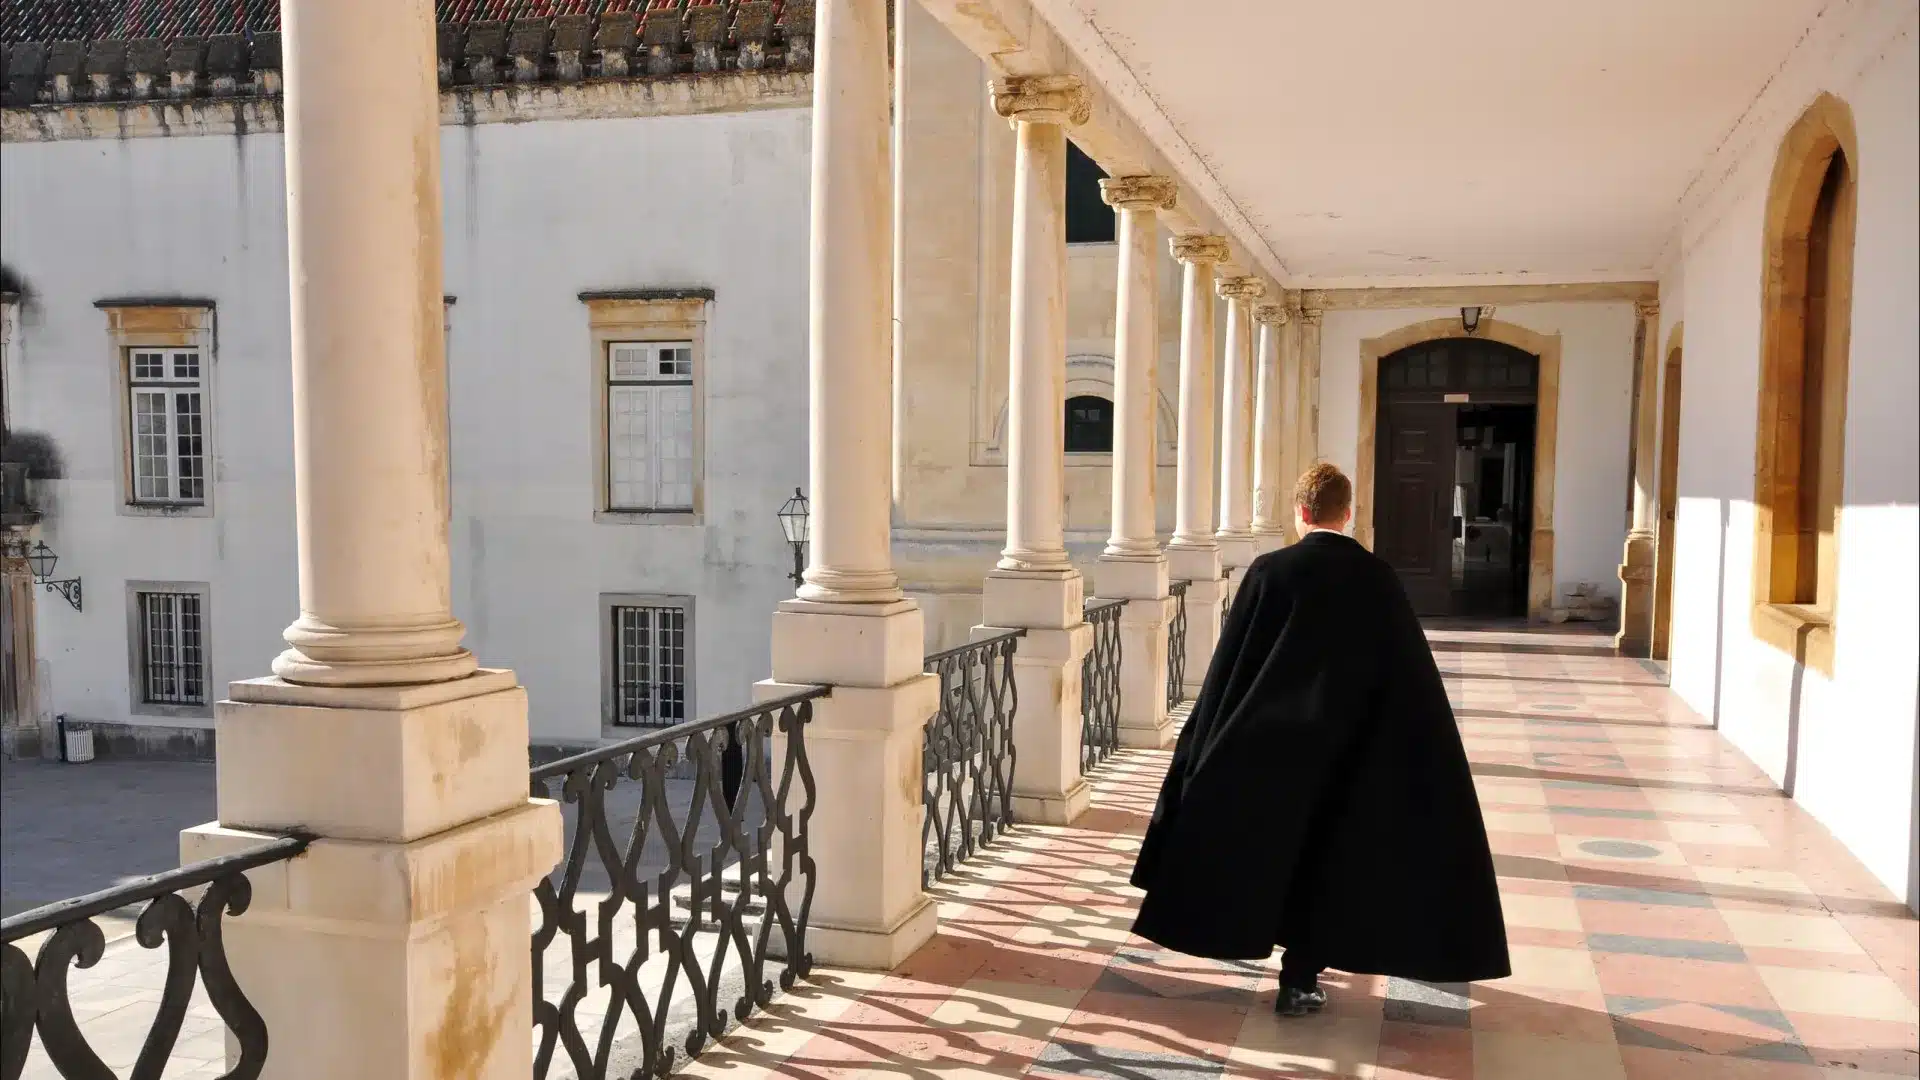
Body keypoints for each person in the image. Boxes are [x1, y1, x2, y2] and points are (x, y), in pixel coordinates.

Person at [1129, 463, 1510, 1016]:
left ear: (1300, 513)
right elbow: (1408, 676)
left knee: (1277, 850)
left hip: (1273, 746)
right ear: (1348, 513)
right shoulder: (1378, 578)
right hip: (1355, 748)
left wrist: (1204, 744)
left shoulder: (1269, 572)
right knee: (1332, 858)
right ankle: (1301, 976)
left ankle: (1274, 954)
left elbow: (1232, 668)